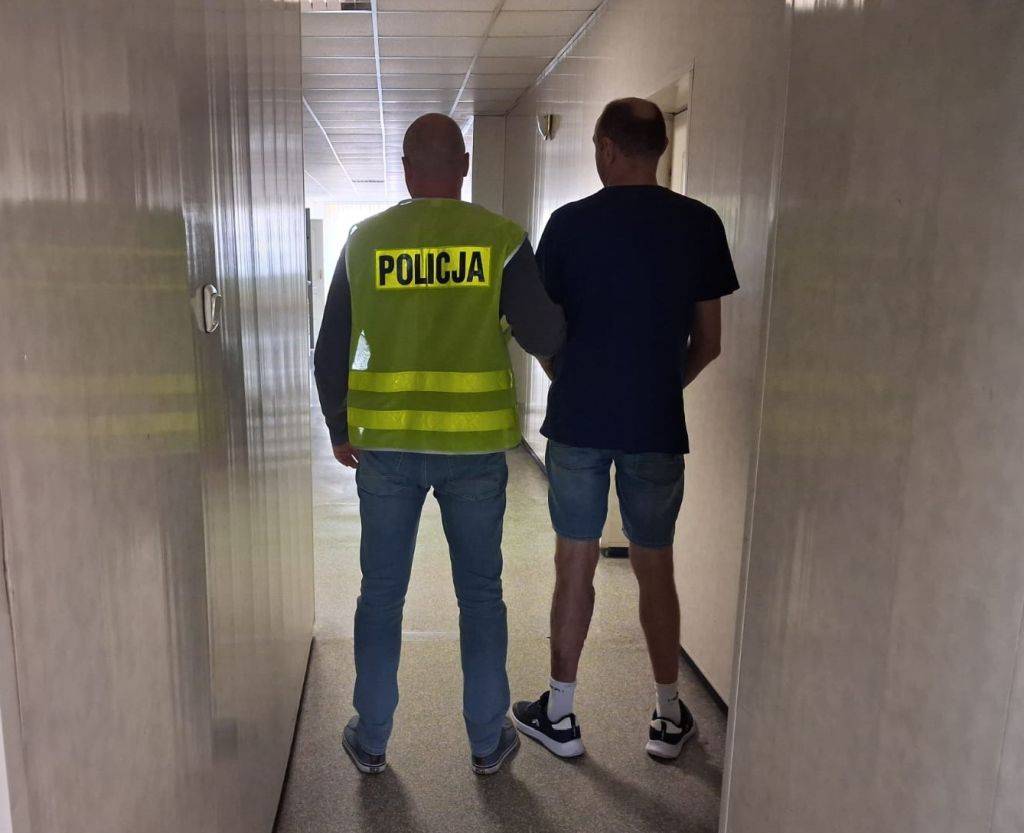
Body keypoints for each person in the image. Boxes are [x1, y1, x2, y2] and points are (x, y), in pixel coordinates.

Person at [314, 113, 565, 776]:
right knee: (480, 595)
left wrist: (339, 426)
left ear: (405, 169)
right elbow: (546, 335)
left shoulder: (365, 241)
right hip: (474, 450)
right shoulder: (499, 240)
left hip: (386, 446)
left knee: (381, 594)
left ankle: (371, 738)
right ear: (464, 166)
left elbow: (330, 346)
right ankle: (487, 741)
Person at [511, 98, 739, 761]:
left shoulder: (570, 224)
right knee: (654, 564)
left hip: (578, 421)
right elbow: (709, 342)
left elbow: (541, 331)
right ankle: (668, 716)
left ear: (608, 148)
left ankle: (559, 713)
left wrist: (568, 376)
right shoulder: (700, 224)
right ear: (659, 148)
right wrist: (660, 389)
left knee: (575, 562)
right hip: (656, 425)